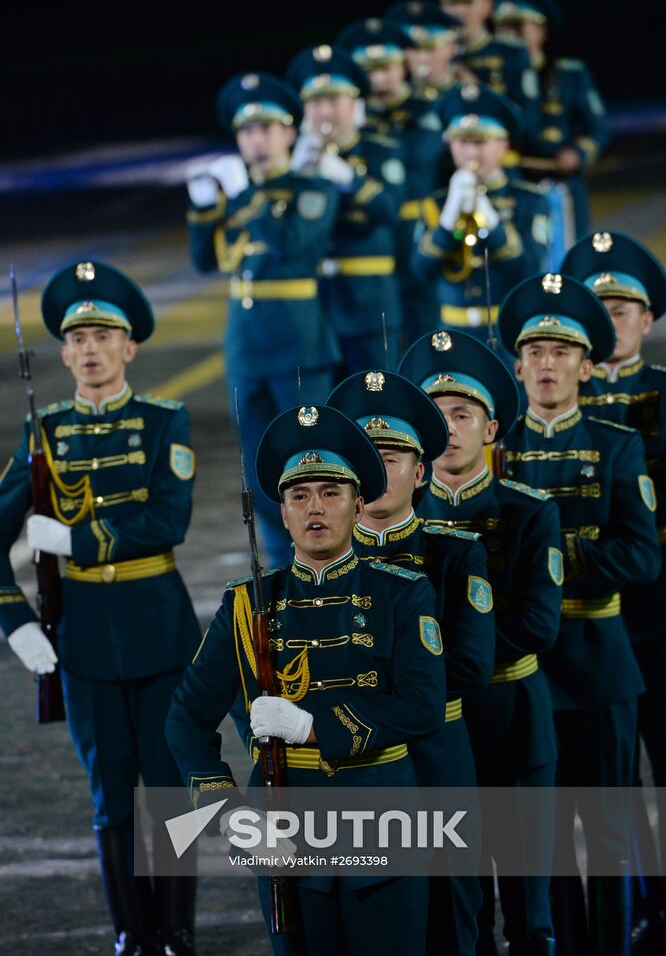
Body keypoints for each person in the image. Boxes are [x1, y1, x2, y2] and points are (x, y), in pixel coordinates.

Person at [165, 404, 447, 955]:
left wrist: (313, 727)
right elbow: (186, 719)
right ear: (282, 513)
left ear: (358, 504)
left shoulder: (403, 592)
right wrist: (231, 816)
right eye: (299, 496)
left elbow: (422, 704)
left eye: (330, 492)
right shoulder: (247, 603)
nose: (314, 507)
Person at [0, 261, 202, 955]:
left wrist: (77, 538)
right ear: (61, 352)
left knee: (173, 790)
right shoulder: (45, 437)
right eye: (77, 337)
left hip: (160, 628)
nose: (89, 348)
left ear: (130, 347)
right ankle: (132, 934)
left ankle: (176, 932)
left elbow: (169, 521)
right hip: (83, 639)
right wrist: (17, 623)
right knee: (110, 794)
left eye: (103, 335)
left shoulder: (162, 422)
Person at [497, 273, 661, 955]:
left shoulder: (616, 443)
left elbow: (642, 557)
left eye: (562, 353)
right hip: (524, 666)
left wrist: (551, 556)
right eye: (534, 352)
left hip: (597, 658)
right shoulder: (493, 447)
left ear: (587, 366)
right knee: (543, 835)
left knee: (609, 829)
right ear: (516, 366)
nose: (546, 364)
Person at [399, 329, 561, 955]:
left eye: (463, 415)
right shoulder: (393, 525)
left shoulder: (527, 512)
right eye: (435, 418)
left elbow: (536, 627)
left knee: (529, 917)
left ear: (491, 429)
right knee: (458, 915)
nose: (449, 429)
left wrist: (441, 661)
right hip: (441, 734)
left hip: (512, 720)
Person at [327, 367, 494, 955]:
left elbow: (471, 666)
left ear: (420, 470)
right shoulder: (314, 568)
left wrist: (367, 704)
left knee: (450, 917)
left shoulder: (454, 554)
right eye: (367, 457)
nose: (379, 471)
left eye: (393, 457)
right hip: (352, 772)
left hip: (433, 759)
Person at [186, 71, 340, 566]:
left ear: (290, 132)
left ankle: (331, 561)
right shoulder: (236, 193)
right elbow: (205, 261)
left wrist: (248, 197)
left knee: (311, 460)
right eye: (247, 131)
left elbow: (294, 245)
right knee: (259, 471)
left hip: (298, 343)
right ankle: (282, 567)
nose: (256, 140)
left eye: (267, 128)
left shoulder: (311, 187)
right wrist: (204, 209)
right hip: (246, 346)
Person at [561, 231, 666, 950]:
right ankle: (629, 905)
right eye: (598, 307)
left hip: (660, 608)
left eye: (624, 306)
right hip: (587, 618)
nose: (612, 318)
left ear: (649, 318)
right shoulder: (552, 402)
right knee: (605, 780)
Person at [286, 46, 404, 373]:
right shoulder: (295, 162)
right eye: (314, 103)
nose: (324, 112)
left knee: (378, 407)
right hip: (316, 306)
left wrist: (347, 177)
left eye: (333, 101)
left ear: (355, 103)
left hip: (369, 305)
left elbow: (389, 210)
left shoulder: (381, 149)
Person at [338, 15, 451, 343]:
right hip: (370, 238)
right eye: (369, 71)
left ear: (404, 65)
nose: (379, 79)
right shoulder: (352, 123)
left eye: (387, 67)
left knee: (427, 336)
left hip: (419, 234)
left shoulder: (429, 110)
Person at [411, 83, 550, 348]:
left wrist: (491, 221)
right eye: (462, 142)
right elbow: (420, 270)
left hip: (509, 333)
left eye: (481, 142)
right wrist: (448, 221)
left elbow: (528, 270)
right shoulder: (437, 204)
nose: (471, 153)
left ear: (504, 145)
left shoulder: (529, 201)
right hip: (452, 336)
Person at [493, 0, 609, 239]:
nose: (510, 36)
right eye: (503, 28)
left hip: (560, 185)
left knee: (564, 261)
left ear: (541, 31)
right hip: (511, 183)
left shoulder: (569, 74)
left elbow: (598, 127)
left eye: (519, 27)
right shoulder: (493, 80)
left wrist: (578, 153)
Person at [423, 0, 540, 147]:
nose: (458, 11)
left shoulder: (512, 54)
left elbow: (530, 122)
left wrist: (481, 95)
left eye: (468, 2)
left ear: (489, 6)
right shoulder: (425, 54)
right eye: (451, 2)